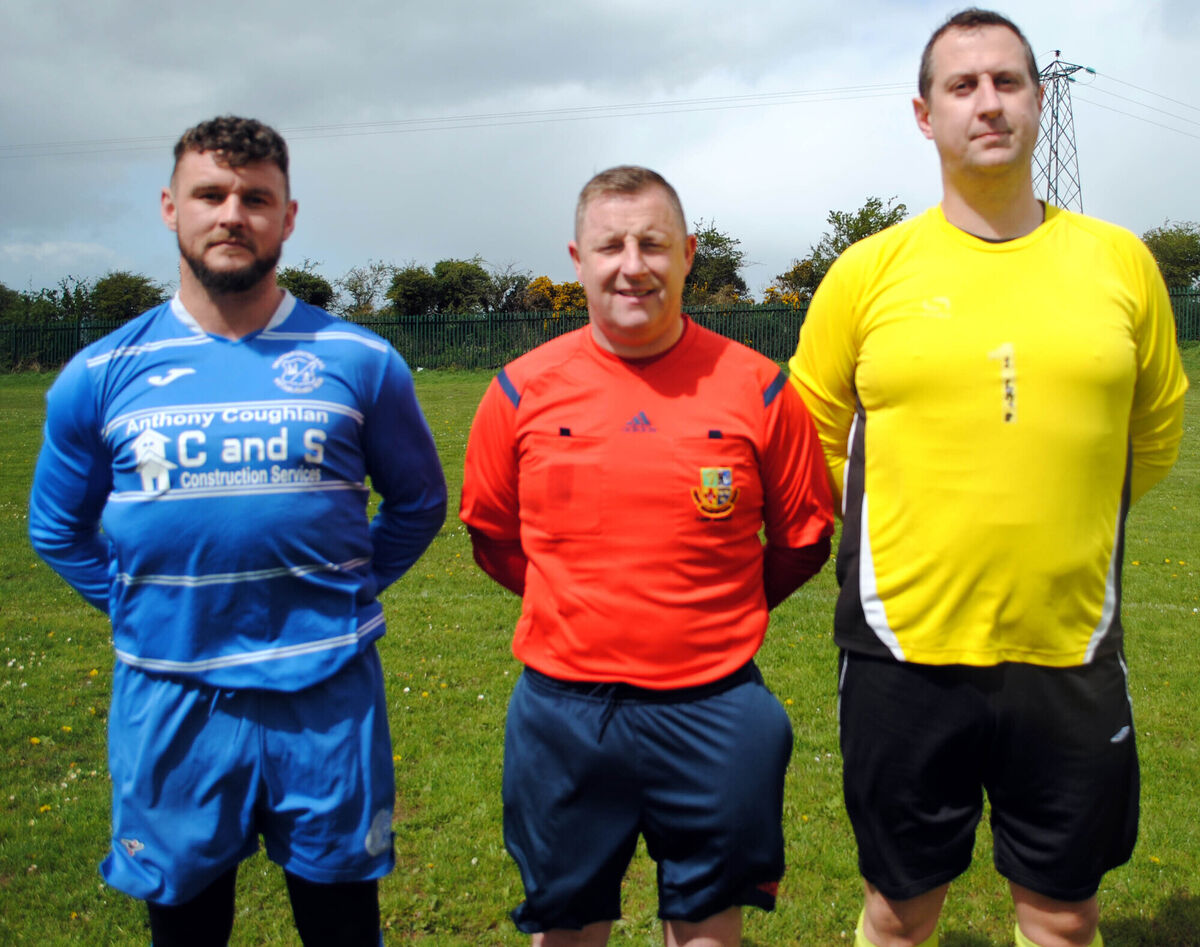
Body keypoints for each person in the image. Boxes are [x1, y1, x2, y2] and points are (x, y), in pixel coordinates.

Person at [789, 10, 1189, 947]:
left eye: (1007, 81)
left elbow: (1157, 425)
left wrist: (1068, 505)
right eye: (962, 86)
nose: (988, 102)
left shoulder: (1120, 262)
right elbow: (806, 432)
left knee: (1063, 911)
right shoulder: (868, 271)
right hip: (903, 650)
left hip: (1069, 646)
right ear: (925, 115)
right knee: (899, 907)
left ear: (1040, 101)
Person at [28, 116, 447, 946]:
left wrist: (349, 586)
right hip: (172, 695)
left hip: (326, 694)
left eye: (256, 197)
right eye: (210, 194)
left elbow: (419, 503)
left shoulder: (360, 359)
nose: (232, 214)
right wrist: (144, 607)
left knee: (341, 927)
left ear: (287, 216)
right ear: (169, 208)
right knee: (185, 930)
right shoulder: (101, 372)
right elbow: (56, 529)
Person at [460, 165, 835, 946]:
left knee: (706, 926)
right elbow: (493, 536)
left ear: (689, 252)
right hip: (564, 711)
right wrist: (576, 608)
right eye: (611, 245)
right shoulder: (521, 390)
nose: (633, 264)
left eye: (653, 243)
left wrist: (717, 606)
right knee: (565, 926)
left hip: (715, 707)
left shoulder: (761, 389)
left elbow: (802, 538)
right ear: (578, 258)